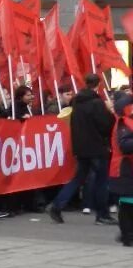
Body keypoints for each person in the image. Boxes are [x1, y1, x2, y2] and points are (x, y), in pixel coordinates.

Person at [49, 74, 117, 225]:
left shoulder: (76, 103)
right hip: (97, 147)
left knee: (78, 178)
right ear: (97, 85)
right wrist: (111, 115)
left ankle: (57, 205)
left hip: (81, 147)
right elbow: (106, 125)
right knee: (102, 180)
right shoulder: (97, 103)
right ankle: (102, 214)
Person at [110, 90, 133, 246]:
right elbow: (125, 146)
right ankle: (127, 236)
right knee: (127, 203)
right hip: (124, 168)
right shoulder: (123, 123)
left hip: (128, 167)